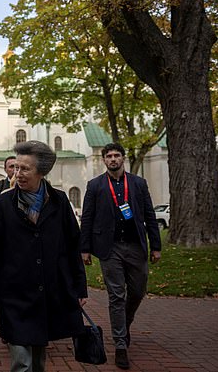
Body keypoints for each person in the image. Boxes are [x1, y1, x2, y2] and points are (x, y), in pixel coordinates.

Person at [0, 141, 88, 372]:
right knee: (22, 363)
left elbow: (71, 246)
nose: (17, 174)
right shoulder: (3, 204)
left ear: (41, 172)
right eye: (16, 167)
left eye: (24, 169)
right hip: (13, 295)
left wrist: (79, 288)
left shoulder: (59, 201)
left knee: (38, 362)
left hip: (47, 292)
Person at [80, 142, 161, 370]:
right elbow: (87, 218)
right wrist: (84, 249)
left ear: (123, 158)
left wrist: (156, 246)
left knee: (137, 291)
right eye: (109, 156)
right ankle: (120, 345)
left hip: (135, 246)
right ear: (104, 160)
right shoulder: (95, 186)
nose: (113, 159)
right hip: (109, 248)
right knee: (116, 295)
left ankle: (124, 325)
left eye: (117, 155)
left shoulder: (138, 184)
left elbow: (149, 215)